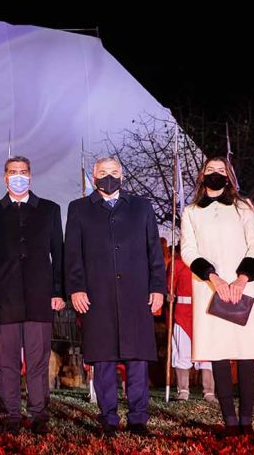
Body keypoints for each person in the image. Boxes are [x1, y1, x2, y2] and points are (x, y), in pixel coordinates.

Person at [65, 156, 166, 436]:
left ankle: (138, 419)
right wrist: (76, 287)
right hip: (97, 296)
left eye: (113, 171)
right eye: (102, 172)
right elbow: (72, 255)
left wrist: (158, 287)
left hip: (136, 296)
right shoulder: (79, 209)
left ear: (123, 175)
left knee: (137, 361)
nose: (108, 176)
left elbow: (153, 253)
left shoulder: (141, 207)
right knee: (103, 360)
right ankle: (108, 418)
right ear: (93, 176)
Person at [180, 156, 254, 436]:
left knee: (245, 354)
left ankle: (246, 421)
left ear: (229, 177)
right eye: (211, 170)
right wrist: (214, 277)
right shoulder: (191, 212)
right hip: (211, 288)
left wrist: (242, 278)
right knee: (218, 353)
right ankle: (229, 422)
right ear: (201, 177)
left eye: (222, 171)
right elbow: (189, 251)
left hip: (243, 286)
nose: (216, 175)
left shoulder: (243, 207)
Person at [0, 156, 64, 434]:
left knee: (38, 360)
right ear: (4, 178)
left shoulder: (49, 210)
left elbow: (58, 255)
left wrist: (58, 291)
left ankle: (39, 413)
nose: (18, 176)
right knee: (7, 360)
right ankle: (11, 413)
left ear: (30, 176)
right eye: (13, 172)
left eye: (23, 172)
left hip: (40, 297)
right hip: (5, 297)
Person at [169, 247, 216, 402]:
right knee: (182, 351)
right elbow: (168, 285)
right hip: (183, 313)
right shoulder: (178, 263)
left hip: (204, 313)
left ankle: (209, 391)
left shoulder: (209, 261)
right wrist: (168, 294)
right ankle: (183, 390)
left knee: (207, 353)